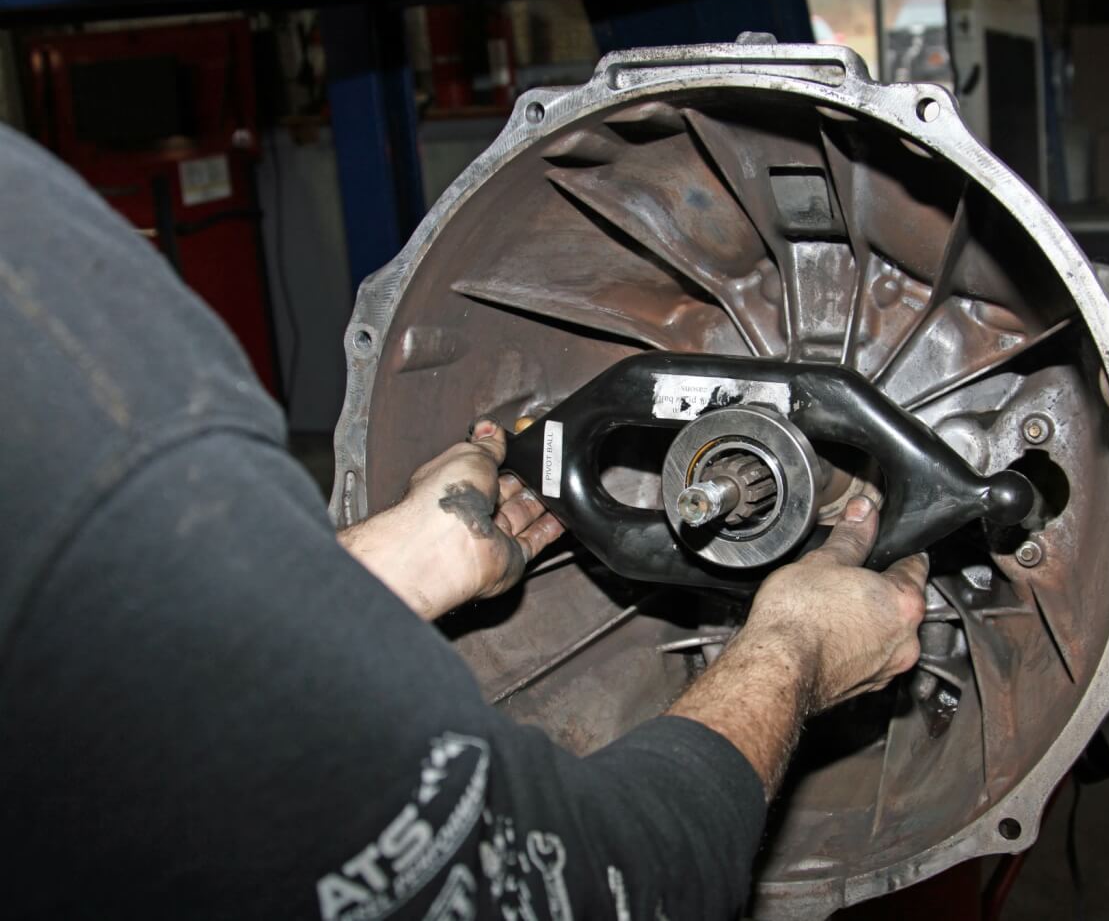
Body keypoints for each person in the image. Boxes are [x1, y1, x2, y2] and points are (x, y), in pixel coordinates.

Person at [0, 122, 930, 920]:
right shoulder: (67, 333)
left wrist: (384, 570)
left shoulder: (56, 352)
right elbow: (606, 889)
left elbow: (143, 693)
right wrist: (794, 650)